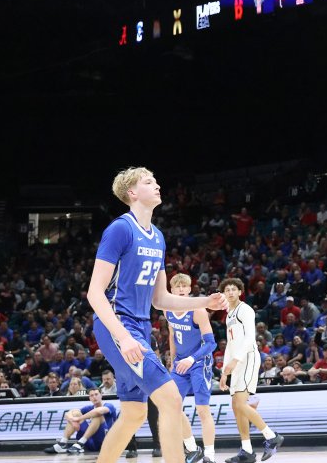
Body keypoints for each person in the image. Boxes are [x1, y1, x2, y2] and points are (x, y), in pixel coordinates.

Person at [87, 167, 228, 463]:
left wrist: (205, 301)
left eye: (156, 180)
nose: (158, 185)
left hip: (139, 328)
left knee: (134, 414)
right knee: (171, 399)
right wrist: (123, 338)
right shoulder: (120, 229)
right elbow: (94, 293)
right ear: (132, 193)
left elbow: (161, 299)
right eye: (149, 182)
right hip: (118, 326)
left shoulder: (158, 238)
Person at [218, 278, 284, 463]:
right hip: (236, 361)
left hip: (247, 358)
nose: (230, 292)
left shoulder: (244, 310)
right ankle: (247, 450)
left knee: (240, 403)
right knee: (235, 406)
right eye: (227, 290)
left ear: (240, 292)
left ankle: (271, 436)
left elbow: (249, 339)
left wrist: (236, 361)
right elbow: (230, 346)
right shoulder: (229, 314)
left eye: (233, 289)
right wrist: (225, 372)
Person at [166, 273, 218, 463]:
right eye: (176, 287)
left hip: (199, 363)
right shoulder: (167, 310)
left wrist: (190, 358)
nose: (180, 290)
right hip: (180, 363)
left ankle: (209, 455)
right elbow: (172, 335)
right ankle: (191, 447)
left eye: (184, 286)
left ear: (189, 289)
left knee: (202, 409)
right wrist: (172, 360)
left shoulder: (198, 311)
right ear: (171, 290)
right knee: (172, 406)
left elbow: (211, 344)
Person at [44, 388, 117, 454]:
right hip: (90, 441)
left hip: (105, 442)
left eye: (96, 394)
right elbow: (68, 413)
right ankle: (63, 443)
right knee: (75, 414)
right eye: (91, 395)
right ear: (89, 398)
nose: (94, 397)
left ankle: (80, 443)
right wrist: (72, 420)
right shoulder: (89, 407)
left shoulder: (109, 405)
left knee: (97, 416)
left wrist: (79, 419)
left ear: (101, 395)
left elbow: (98, 412)